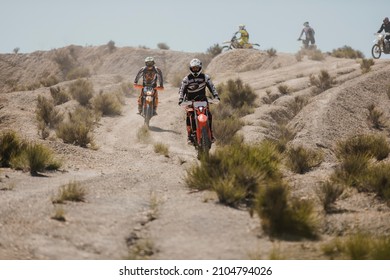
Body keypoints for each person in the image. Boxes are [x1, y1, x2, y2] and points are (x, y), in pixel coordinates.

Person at [178, 58, 220, 144]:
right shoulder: (187, 79)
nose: (195, 69)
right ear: (191, 68)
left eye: (197, 68)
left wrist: (216, 96)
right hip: (190, 101)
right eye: (194, 68)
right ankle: (189, 136)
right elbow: (182, 90)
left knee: (209, 115)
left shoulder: (205, 77)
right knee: (189, 116)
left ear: (200, 68)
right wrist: (181, 99)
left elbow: (212, 87)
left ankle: (211, 134)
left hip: (202, 100)